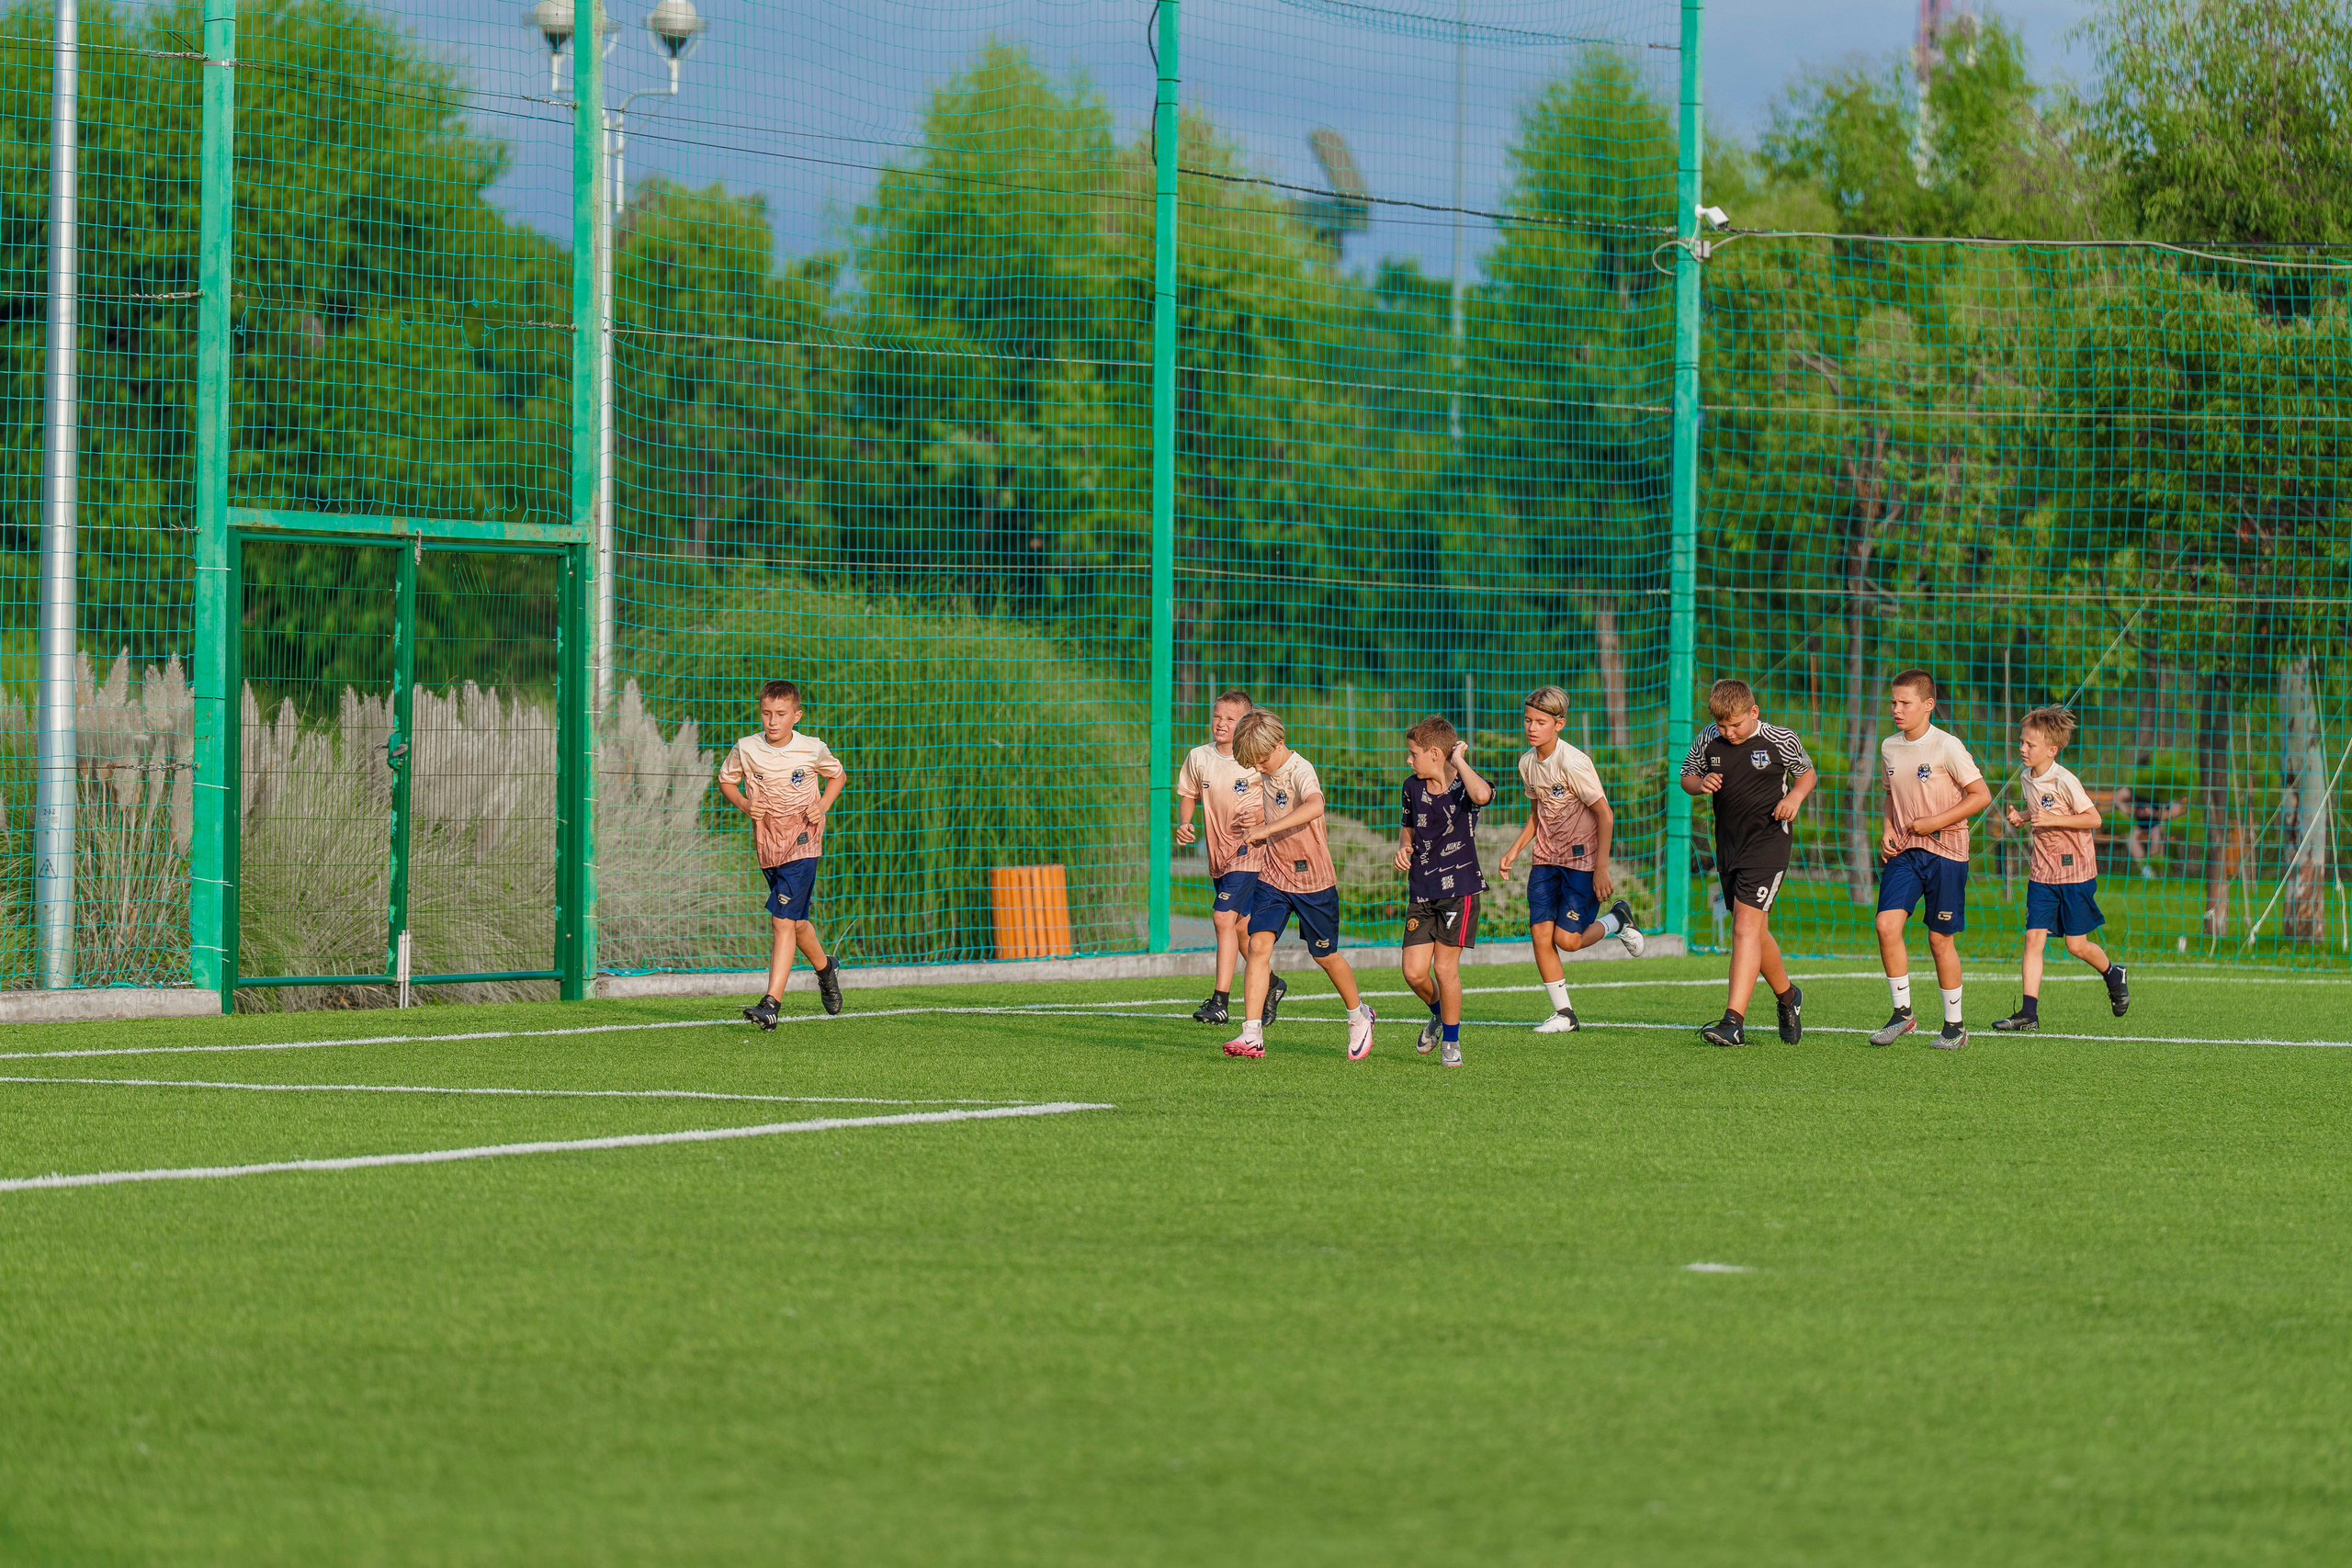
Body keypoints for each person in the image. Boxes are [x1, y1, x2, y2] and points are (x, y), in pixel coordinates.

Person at [1224, 710, 1378, 1062]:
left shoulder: (1300, 770)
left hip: (1312, 882)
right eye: (1254, 764)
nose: (1259, 768)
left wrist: (1266, 829)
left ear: (1280, 744)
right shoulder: (1266, 770)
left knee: (1324, 954)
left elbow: (1314, 805)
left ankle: (1359, 1016)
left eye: (1262, 761)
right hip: (1274, 877)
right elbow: (1275, 810)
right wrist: (1257, 821)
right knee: (1257, 943)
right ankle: (1251, 1034)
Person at [1497, 684, 1643, 1035]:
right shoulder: (1526, 763)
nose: (1532, 728)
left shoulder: (1574, 762)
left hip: (1583, 862)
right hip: (1545, 860)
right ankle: (1565, 1014)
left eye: (1541, 722)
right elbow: (1538, 813)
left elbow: (1605, 815)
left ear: (1559, 724)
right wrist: (1514, 850)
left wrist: (1602, 868)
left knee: (1568, 941)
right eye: (1528, 720)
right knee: (1540, 935)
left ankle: (1617, 921)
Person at [1679, 679, 1816, 1048]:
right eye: (1723, 726)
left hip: (1769, 843)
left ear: (1753, 713)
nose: (1729, 732)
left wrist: (1796, 798)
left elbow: (1807, 775)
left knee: (1743, 927)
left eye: (1736, 725)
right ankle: (1788, 997)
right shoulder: (1708, 738)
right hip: (1729, 845)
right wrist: (1700, 782)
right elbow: (1686, 776)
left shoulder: (1780, 739)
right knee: (1755, 930)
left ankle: (1732, 1022)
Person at [1867, 670, 1993, 1049]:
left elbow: (1981, 795)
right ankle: (1902, 1014)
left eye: (1905, 703)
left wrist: (1934, 822)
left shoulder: (1947, 746)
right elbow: (1890, 795)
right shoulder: (1889, 747)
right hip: (1906, 852)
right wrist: (1888, 828)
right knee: (1886, 926)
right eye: (1893, 702)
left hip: (1948, 853)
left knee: (1940, 941)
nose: (1896, 709)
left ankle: (1954, 1026)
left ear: (1928, 705)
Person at [717, 679, 848, 1029]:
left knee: (780, 921)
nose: (772, 721)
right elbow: (726, 780)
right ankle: (826, 968)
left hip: (804, 843)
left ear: (796, 716)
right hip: (769, 845)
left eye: (781, 714)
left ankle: (771, 1003)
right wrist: (745, 803)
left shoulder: (811, 748)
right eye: (766, 714)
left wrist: (822, 804)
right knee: (796, 923)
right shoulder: (746, 748)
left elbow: (838, 775)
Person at [1993, 706, 2131, 1030]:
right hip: (2042, 873)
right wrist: (2023, 817)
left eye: (2031, 745)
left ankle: (2114, 974)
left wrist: (2053, 819)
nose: (2023, 749)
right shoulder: (2028, 777)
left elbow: (2093, 818)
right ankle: (2029, 1014)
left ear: (2052, 750)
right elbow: (2039, 809)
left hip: (2075, 873)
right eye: (2022, 742)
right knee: (2033, 939)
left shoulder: (2065, 779)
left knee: (2075, 945)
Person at [1393, 716, 1495, 1068]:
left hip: (1460, 890)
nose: (1409, 760)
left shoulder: (1465, 786)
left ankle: (1451, 1041)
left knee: (1444, 969)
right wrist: (1403, 847)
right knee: (1414, 973)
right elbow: (1407, 828)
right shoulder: (1411, 786)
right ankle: (1439, 1015)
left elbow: (1483, 795)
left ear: (1436, 753)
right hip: (1421, 889)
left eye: (1413, 753)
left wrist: (1460, 760)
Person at [1175, 689, 1272, 1026]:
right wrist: (1185, 823)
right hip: (1218, 856)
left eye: (1230, 719)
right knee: (1241, 927)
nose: (1221, 723)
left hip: (1250, 852)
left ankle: (1220, 1001)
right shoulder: (1199, 757)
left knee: (1221, 918)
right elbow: (1188, 793)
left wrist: (1260, 819)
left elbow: (1280, 801)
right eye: (1217, 716)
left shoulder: (1257, 761)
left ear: (1244, 723)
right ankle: (1272, 985)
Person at [2113, 782, 2188, 879]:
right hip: (2140, 825)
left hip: (2156, 825)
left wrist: (2155, 813)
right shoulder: (2138, 785)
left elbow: (2174, 810)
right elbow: (2117, 797)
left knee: (2156, 836)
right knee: (2130, 838)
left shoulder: (2160, 787)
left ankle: (2154, 865)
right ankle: (2145, 869)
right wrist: (2131, 811)